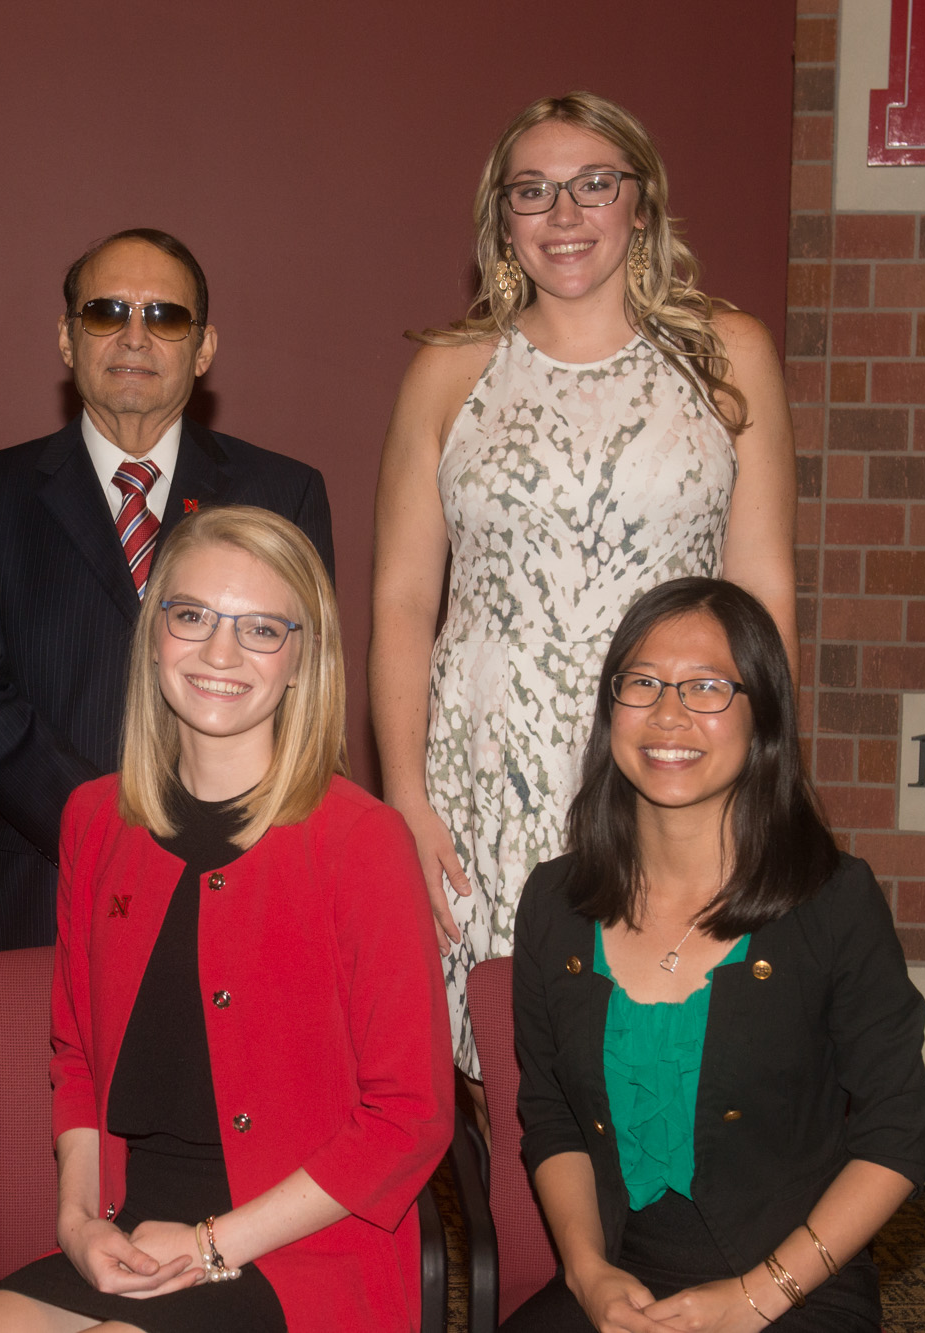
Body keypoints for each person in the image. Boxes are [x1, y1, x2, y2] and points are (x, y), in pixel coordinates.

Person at [369, 91, 797, 1079]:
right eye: (533, 191)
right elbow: (399, 597)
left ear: (638, 205)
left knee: (665, 1038)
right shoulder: (445, 371)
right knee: (500, 1052)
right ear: (501, 220)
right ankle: (526, 1242)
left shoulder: (727, 358)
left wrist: (766, 768)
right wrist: (402, 792)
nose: (562, 216)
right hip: (485, 767)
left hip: (673, 752)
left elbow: (761, 581)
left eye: (591, 185)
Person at [0, 506, 451, 1333]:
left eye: (259, 628)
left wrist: (214, 1244)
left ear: (301, 660)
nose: (221, 653)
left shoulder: (362, 841)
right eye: (193, 617)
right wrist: (78, 1225)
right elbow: (74, 1056)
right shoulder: (94, 818)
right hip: (131, 1230)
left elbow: (410, 1117)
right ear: (154, 637)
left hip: (300, 1251)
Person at [508, 577, 925, 1332]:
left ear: (762, 716)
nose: (669, 714)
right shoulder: (554, 902)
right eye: (642, 683)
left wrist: (754, 1295)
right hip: (620, 1282)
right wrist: (588, 1271)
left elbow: (895, 1135)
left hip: (795, 1281)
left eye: (707, 686)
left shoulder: (834, 901)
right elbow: (552, 1118)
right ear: (611, 710)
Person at [0, 228, 334, 954]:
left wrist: (204, 829)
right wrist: (105, 824)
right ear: (66, 338)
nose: (135, 337)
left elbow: (305, 682)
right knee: (35, 1069)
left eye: (165, 317)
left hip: (242, 859)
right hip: (43, 862)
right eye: (107, 313)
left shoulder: (284, 493)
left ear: (204, 349)